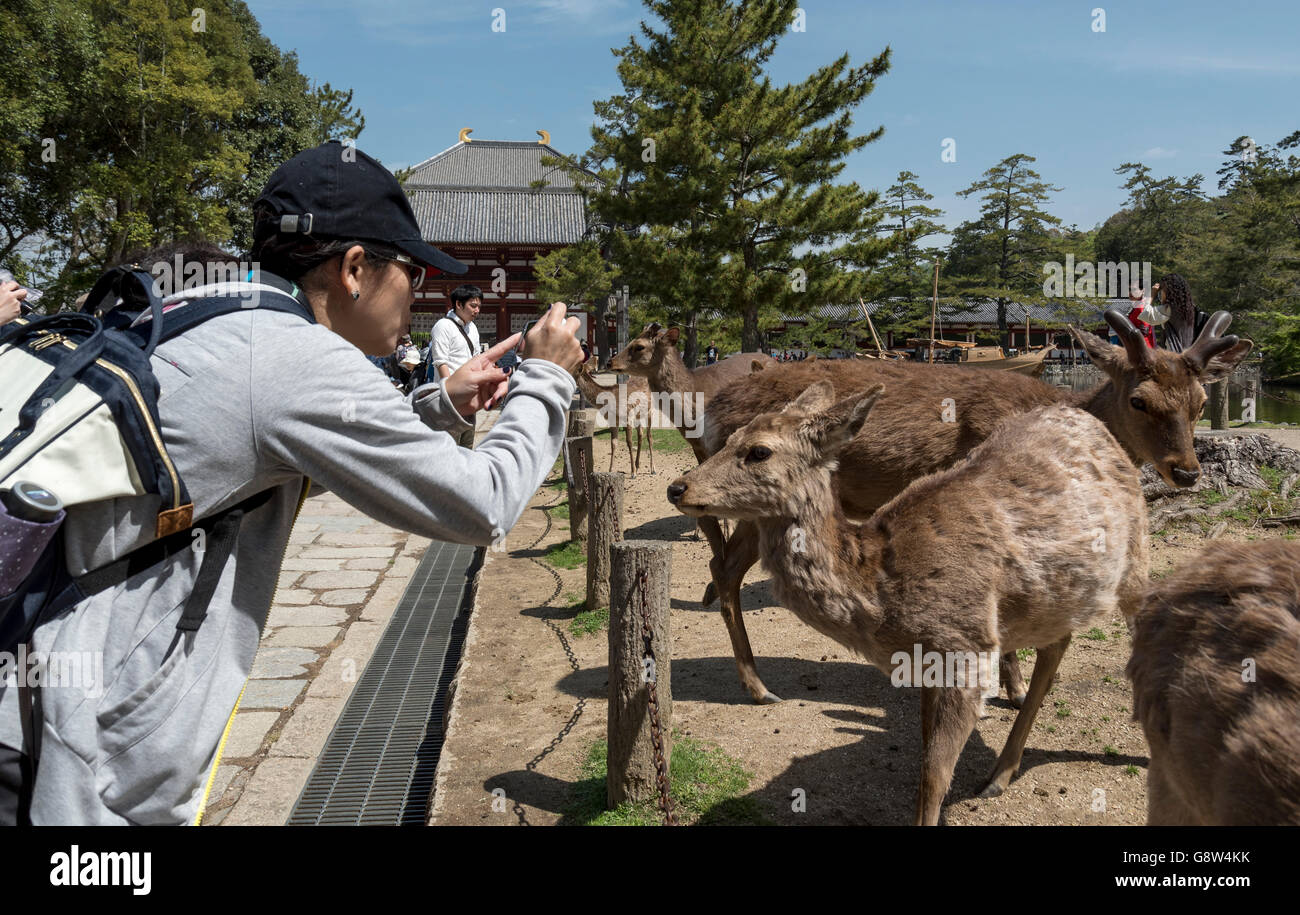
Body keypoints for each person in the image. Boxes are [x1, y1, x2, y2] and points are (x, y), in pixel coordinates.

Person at [0, 140, 582, 825]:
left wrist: (439, 404)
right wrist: (548, 378)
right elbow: (484, 504)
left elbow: (268, 443)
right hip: (73, 750)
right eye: (414, 273)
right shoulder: (294, 358)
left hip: (38, 687)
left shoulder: (220, 310)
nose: (419, 294)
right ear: (356, 269)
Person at [428, 285, 483, 447]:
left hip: (469, 395)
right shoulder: (443, 326)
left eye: (479, 306)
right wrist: (451, 392)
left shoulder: (472, 328)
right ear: (458, 304)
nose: (477, 310)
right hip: (449, 398)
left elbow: (476, 358)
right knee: (449, 447)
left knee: (467, 446)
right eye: (473, 306)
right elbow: (440, 361)